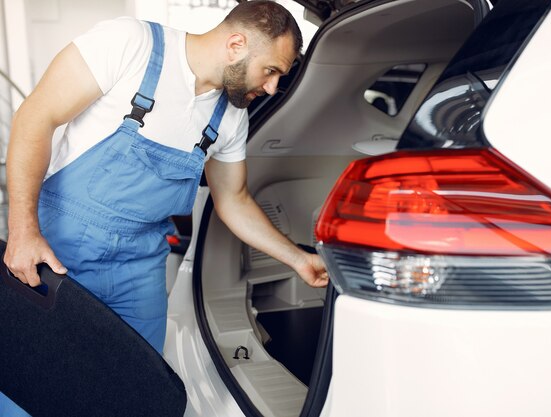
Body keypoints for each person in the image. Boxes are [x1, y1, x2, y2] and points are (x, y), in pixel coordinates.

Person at [0, 1, 328, 415]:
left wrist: (298, 260)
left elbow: (234, 199)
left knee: (137, 392)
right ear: (236, 44)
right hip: (61, 248)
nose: (272, 88)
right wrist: (23, 231)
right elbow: (36, 116)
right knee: (33, 387)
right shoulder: (130, 43)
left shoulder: (230, 117)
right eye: (271, 70)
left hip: (140, 267)